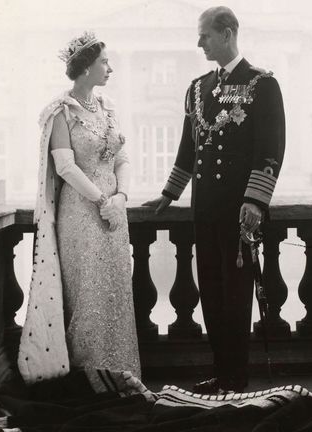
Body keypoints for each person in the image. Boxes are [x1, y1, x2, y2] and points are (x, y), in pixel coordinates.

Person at [143, 6, 286, 394]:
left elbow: (270, 148)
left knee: (236, 297)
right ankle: (222, 373)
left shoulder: (261, 85)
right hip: (204, 209)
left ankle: (236, 378)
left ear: (227, 33)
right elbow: (188, 149)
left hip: (238, 213)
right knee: (210, 291)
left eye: (205, 35)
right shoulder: (198, 88)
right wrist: (170, 193)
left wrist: (256, 201)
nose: (199, 43)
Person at [17, 32, 141, 385]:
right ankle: (90, 381)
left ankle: (124, 376)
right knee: (86, 293)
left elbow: (123, 157)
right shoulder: (60, 113)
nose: (110, 68)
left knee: (116, 291)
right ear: (86, 68)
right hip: (81, 214)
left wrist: (121, 198)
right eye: (104, 62)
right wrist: (101, 200)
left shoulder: (108, 107)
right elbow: (66, 167)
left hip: (114, 214)